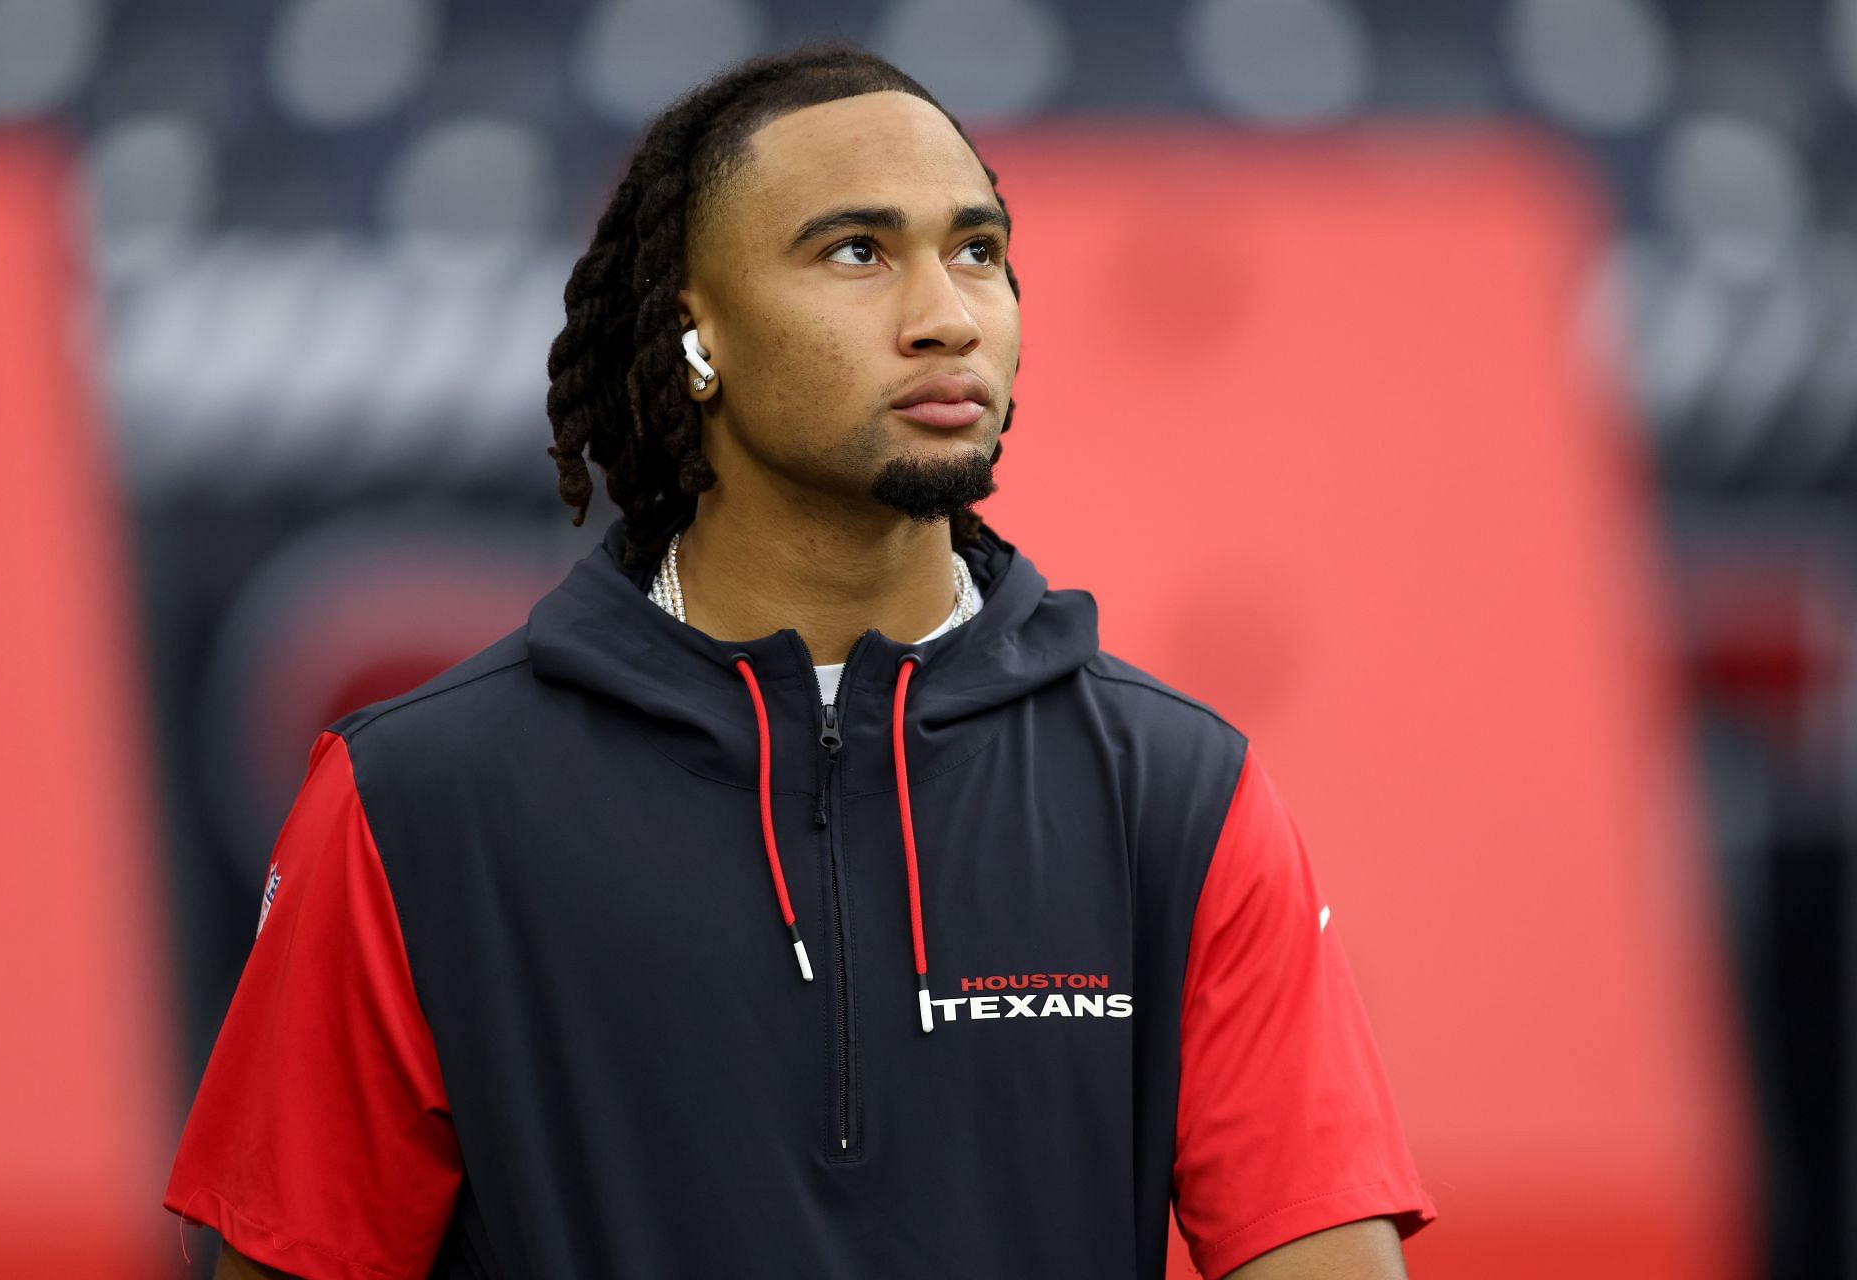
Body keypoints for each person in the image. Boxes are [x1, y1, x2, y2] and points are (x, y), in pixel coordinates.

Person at [164, 41, 1437, 1280]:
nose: (946, 317)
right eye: (857, 251)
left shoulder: (1179, 792)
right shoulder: (416, 802)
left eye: (978, 251)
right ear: (693, 333)